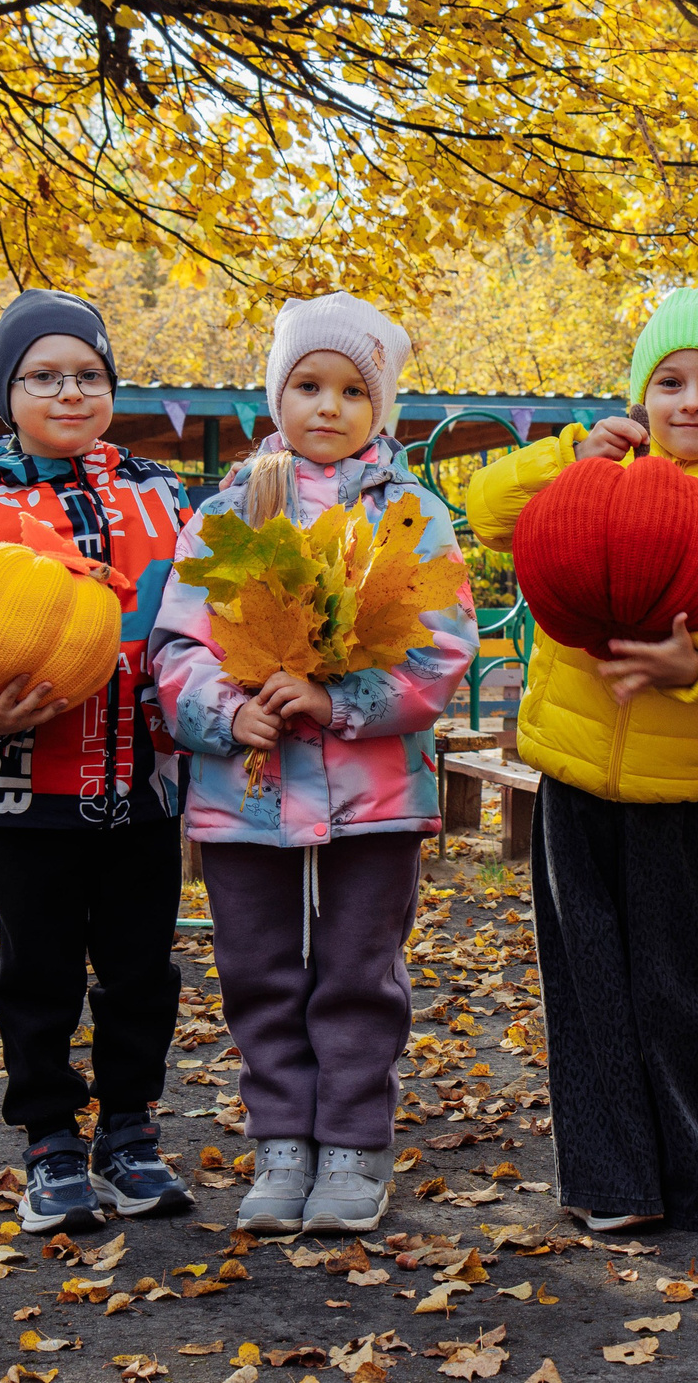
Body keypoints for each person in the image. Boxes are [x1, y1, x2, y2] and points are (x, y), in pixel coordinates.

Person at [151, 295, 474, 1235]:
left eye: (349, 390)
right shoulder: (223, 515)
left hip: (373, 793)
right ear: (276, 394)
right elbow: (179, 645)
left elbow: (440, 648)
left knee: (357, 970)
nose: (327, 407)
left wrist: (341, 703)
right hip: (244, 791)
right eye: (307, 385)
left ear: (382, 409)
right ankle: (282, 1142)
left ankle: (353, 1148)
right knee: (256, 967)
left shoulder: (415, 516)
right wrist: (227, 709)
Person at [462, 288, 698, 1234]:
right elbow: (484, 513)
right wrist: (565, 454)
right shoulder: (590, 469)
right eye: (670, 381)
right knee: (589, 984)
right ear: (642, 391)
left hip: (679, 786)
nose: (691, 401)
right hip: (571, 772)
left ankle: (695, 1175)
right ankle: (612, 1182)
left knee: (679, 988)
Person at [0, 289, 194, 1234]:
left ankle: (130, 1131)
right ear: (10, 392)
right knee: (35, 974)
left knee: (140, 972)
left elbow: (201, 623)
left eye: (88, 374)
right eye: (44, 375)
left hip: (148, 786)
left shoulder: (166, 496)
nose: (69, 390)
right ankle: (49, 1137)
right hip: (28, 790)